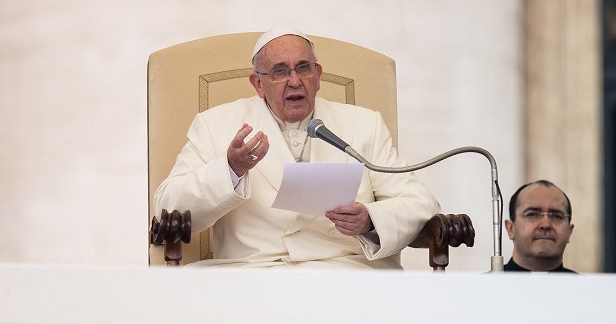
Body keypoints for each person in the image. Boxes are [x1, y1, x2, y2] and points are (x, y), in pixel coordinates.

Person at [154, 26, 440, 269]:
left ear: (318, 75)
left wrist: (370, 221)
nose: (294, 81)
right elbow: (167, 206)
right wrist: (231, 170)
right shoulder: (216, 125)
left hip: (346, 277)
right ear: (258, 84)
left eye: (303, 68)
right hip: (251, 278)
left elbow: (421, 204)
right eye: (279, 71)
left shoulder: (365, 125)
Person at [504, 180, 577, 272]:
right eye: (532, 214)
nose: (546, 224)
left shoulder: (588, 286)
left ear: (569, 232)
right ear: (511, 229)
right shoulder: (485, 285)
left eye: (556, 216)